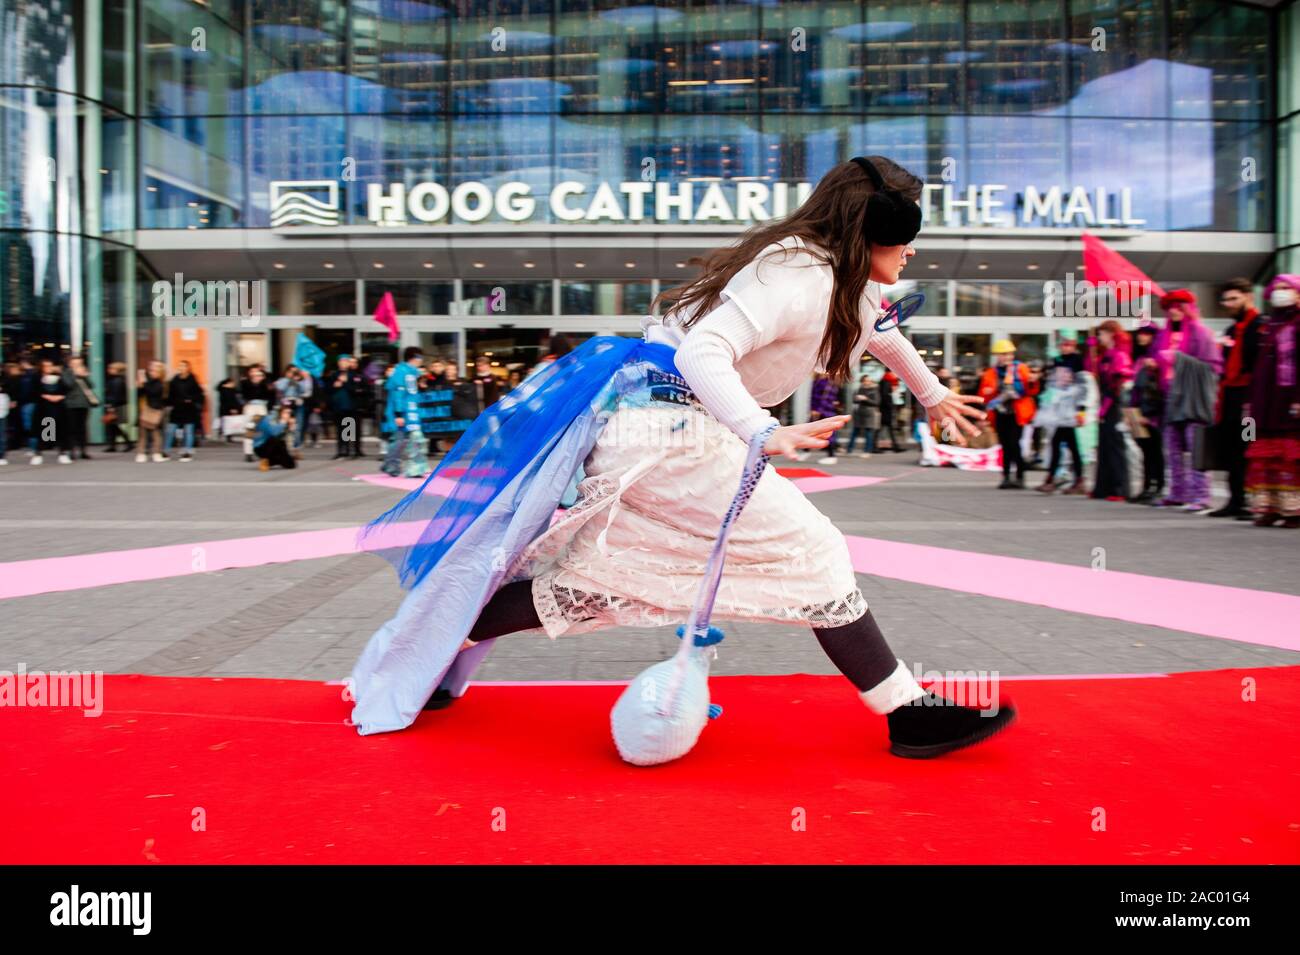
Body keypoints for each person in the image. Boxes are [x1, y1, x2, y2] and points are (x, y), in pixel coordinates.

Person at [350, 155, 1015, 760]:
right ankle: (905, 712)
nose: (913, 250)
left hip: (659, 428)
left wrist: (932, 396)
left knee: (603, 576)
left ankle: (433, 653)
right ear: (871, 231)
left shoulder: (839, 278)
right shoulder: (799, 276)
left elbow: (884, 334)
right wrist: (763, 430)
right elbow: (703, 353)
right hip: (671, 429)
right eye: (905, 234)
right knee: (812, 547)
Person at [1153, 288, 1222, 510]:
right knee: (1171, 448)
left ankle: (1201, 495)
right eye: (1170, 308)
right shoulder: (1162, 336)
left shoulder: (1200, 333)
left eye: (1178, 307)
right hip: (1169, 397)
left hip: (1193, 398)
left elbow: (1212, 367)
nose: (1174, 312)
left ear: (1188, 308)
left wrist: (1178, 358)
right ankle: (1177, 492)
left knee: (1196, 446)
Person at [1244, 274, 1300, 527]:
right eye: (1277, 288)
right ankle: (1270, 507)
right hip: (1265, 401)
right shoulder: (1269, 326)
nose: (1281, 292)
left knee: (1290, 455)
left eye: (1286, 288)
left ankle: (1294, 510)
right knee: (1264, 455)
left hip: (1289, 398)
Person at [1210, 278, 1265, 518]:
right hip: (1230, 398)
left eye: (1234, 298)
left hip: (1250, 399)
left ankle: (1250, 501)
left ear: (1248, 297)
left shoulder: (1261, 327)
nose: (1229, 303)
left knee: (1248, 447)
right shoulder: (1231, 330)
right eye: (1226, 299)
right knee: (1232, 448)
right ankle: (1235, 500)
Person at [978, 339, 1040, 489]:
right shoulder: (991, 373)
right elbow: (983, 394)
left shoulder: (1021, 369)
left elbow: (1032, 391)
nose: (1006, 357)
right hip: (1000, 414)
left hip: (1017, 414)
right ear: (997, 356)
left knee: (1015, 444)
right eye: (1002, 354)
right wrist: (988, 393)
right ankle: (1006, 476)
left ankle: (1020, 476)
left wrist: (1033, 381)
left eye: (1008, 354)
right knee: (1005, 445)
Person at [1086, 321, 1133, 501]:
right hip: (1106, 404)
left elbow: (1116, 386)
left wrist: (1105, 409)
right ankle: (1103, 487)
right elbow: (1092, 371)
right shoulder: (1106, 355)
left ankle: (1119, 488)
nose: (1100, 337)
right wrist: (1091, 351)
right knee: (1104, 447)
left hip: (1114, 406)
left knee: (1115, 447)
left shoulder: (1120, 356)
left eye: (1102, 334)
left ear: (1111, 334)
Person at [1036, 333, 1087, 495]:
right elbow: (1051, 381)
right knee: (1063, 445)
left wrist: (1081, 410)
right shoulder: (1057, 360)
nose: (1065, 348)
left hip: (1070, 409)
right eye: (1063, 345)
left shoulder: (1078, 361)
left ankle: (1060, 479)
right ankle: (1069, 479)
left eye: (1068, 345)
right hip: (1059, 409)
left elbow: (1083, 386)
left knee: (1066, 445)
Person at [1128, 322, 1165, 503]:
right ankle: (1146, 486)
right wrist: (1132, 410)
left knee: (1155, 450)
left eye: (1146, 333)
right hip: (1138, 409)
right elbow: (1136, 388)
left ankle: (1157, 486)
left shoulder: (1157, 357)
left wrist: (1149, 414)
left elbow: (1156, 388)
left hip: (1152, 411)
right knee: (1145, 450)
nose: (1141, 337)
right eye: (1140, 333)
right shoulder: (1140, 358)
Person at [381, 346, 428, 478]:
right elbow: (398, 394)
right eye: (420, 358)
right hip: (402, 412)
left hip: (411, 411)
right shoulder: (402, 372)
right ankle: (391, 465)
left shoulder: (412, 372)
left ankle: (414, 468)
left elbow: (412, 393)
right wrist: (398, 414)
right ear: (415, 358)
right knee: (399, 440)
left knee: (413, 439)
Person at [33, 357, 72, 465]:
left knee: (61, 431)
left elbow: (67, 388)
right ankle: (38, 453)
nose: (49, 368)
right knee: (45, 431)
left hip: (58, 408)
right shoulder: (37, 378)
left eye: (50, 365)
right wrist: (46, 396)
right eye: (46, 366)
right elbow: (34, 391)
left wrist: (60, 397)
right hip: (44, 409)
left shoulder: (58, 378)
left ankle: (62, 453)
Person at [164, 360, 205, 462]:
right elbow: (170, 394)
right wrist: (169, 403)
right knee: (170, 430)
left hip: (189, 409)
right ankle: (166, 451)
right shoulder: (174, 380)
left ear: (188, 368)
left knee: (188, 432)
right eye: (180, 366)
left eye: (183, 366)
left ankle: (187, 452)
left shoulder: (192, 380)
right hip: (177, 409)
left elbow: (199, 394)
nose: (181, 368)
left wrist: (191, 400)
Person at [328, 355, 367, 459]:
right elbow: (328, 390)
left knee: (351, 429)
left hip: (350, 406)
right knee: (340, 429)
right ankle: (341, 450)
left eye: (345, 361)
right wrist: (334, 385)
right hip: (338, 406)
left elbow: (355, 390)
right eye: (341, 361)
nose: (343, 363)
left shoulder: (353, 375)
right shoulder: (334, 374)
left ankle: (352, 450)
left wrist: (345, 383)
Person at [61, 355, 100, 460]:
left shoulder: (83, 374)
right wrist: (75, 374)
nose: (78, 365)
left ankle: (83, 451)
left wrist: (85, 376)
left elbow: (91, 386)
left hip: (84, 404)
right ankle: (71, 451)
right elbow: (68, 385)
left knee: (82, 428)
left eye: (80, 363)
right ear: (70, 364)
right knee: (72, 428)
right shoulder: (66, 373)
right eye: (76, 363)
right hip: (72, 405)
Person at [135, 361, 168, 463]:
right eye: (151, 369)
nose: (152, 371)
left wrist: (143, 384)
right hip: (147, 408)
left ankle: (156, 453)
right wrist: (140, 386)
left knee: (156, 433)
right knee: (143, 433)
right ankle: (141, 453)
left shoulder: (161, 383)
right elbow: (141, 394)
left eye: (155, 370)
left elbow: (154, 392)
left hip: (157, 410)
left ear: (160, 372)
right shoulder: (149, 381)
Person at [239, 366, 273, 462]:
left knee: (263, 430)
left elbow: (270, 395)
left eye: (259, 374)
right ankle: (248, 453)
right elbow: (243, 395)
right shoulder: (245, 383)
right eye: (253, 373)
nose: (256, 376)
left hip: (262, 407)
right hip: (250, 407)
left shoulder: (266, 384)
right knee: (249, 429)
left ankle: (263, 451)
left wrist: (264, 382)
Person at [253, 404, 297, 471]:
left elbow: (287, 438)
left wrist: (290, 427)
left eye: (289, 413)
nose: (288, 415)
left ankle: (272, 461)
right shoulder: (269, 418)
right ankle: (264, 459)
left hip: (275, 446)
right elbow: (274, 433)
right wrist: (283, 422)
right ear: (280, 412)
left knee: (291, 465)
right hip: (261, 446)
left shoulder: (284, 421)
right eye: (286, 412)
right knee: (275, 440)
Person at [810, 372, 841, 464]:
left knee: (828, 432)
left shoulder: (825, 382)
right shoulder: (827, 382)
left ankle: (831, 455)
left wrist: (816, 409)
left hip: (824, 411)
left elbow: (821, 398)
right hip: (825, 410)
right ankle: (830, 454)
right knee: (824, 432)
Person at [848, 373, 879, 456]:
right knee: (854, 432)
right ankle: (849, 450)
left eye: (868, 381)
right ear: (862, 381)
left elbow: (876, 402)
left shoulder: (874, 390)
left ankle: (867, 451)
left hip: (869, 414)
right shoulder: (858, 389)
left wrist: (866, 399)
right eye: (865, 381)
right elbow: (854, 400)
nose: (867, 382)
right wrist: (857, 399)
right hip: (859, 413)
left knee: (868, 433)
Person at [102, 361, 131, 452]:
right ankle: (114, 444)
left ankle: (126, 442)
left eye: (111, 368)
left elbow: (115, 395)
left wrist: (111, 406)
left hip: (115, 406)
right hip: (117, 405)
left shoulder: (116, 381)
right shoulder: (118, 380)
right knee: (113, 426)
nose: (109, 370)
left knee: (113, 425)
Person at [877, 371, 903, 451]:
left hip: (885, 410)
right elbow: (885, 396)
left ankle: (896, 446)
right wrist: (890, 406)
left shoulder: (884, 382)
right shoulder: (886, 383)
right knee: (879, 429)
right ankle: (873, 447)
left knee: (886, 429)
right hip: (885, 410)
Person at [216, 376, 245, 443]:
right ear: (228, 383)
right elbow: (231, 400)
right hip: (228, 408)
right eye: (232, 382)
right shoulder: (228, 391)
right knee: (229, 422)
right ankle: (228, 436)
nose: (234, 384)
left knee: (226, 422)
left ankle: (224, 434)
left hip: (223, 408)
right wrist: (233, 408)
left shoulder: (222, 389)